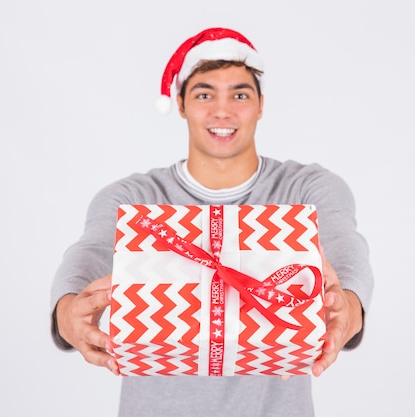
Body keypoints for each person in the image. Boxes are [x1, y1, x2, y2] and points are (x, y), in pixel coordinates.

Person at [50, 27, 373, 416]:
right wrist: (66, 311)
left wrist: (350, 306)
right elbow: (91, 250)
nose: (223, 111)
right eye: (204, 94)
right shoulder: (133, 199)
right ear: (182, 104)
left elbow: (344, 243)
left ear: (260, 106)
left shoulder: (305, 188)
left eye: (240, 94)